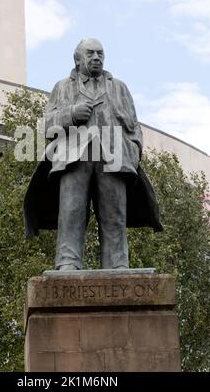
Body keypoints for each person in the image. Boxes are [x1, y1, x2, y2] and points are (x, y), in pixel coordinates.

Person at [24, 39, 162, 270]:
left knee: (114, 214)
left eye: (100, 53)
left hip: (113, 156)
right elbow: (47, 126)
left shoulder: (118, 87)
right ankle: (68, 262)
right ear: (78, 59)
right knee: (71, 212)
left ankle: (117, 264)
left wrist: (134, 152)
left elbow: (134, 126)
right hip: (73, 159)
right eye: (90, 53)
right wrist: (70, 114)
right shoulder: (63, 87)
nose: (97, 57)